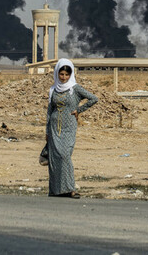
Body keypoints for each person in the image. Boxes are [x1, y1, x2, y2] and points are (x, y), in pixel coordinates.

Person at [44, 58, 98, 198]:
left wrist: (79, 110)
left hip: (69, 127)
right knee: (55, 158)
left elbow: (93, 99)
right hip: (54, 128)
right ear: (57, 74)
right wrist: (47, 131)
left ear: (71, 75)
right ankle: (56, 190)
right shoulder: (53, 90)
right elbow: (50, 111)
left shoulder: (75, 88)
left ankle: (70, 189)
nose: (64, 77)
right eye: (61, 74)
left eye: (66, 75)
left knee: (65, 155)